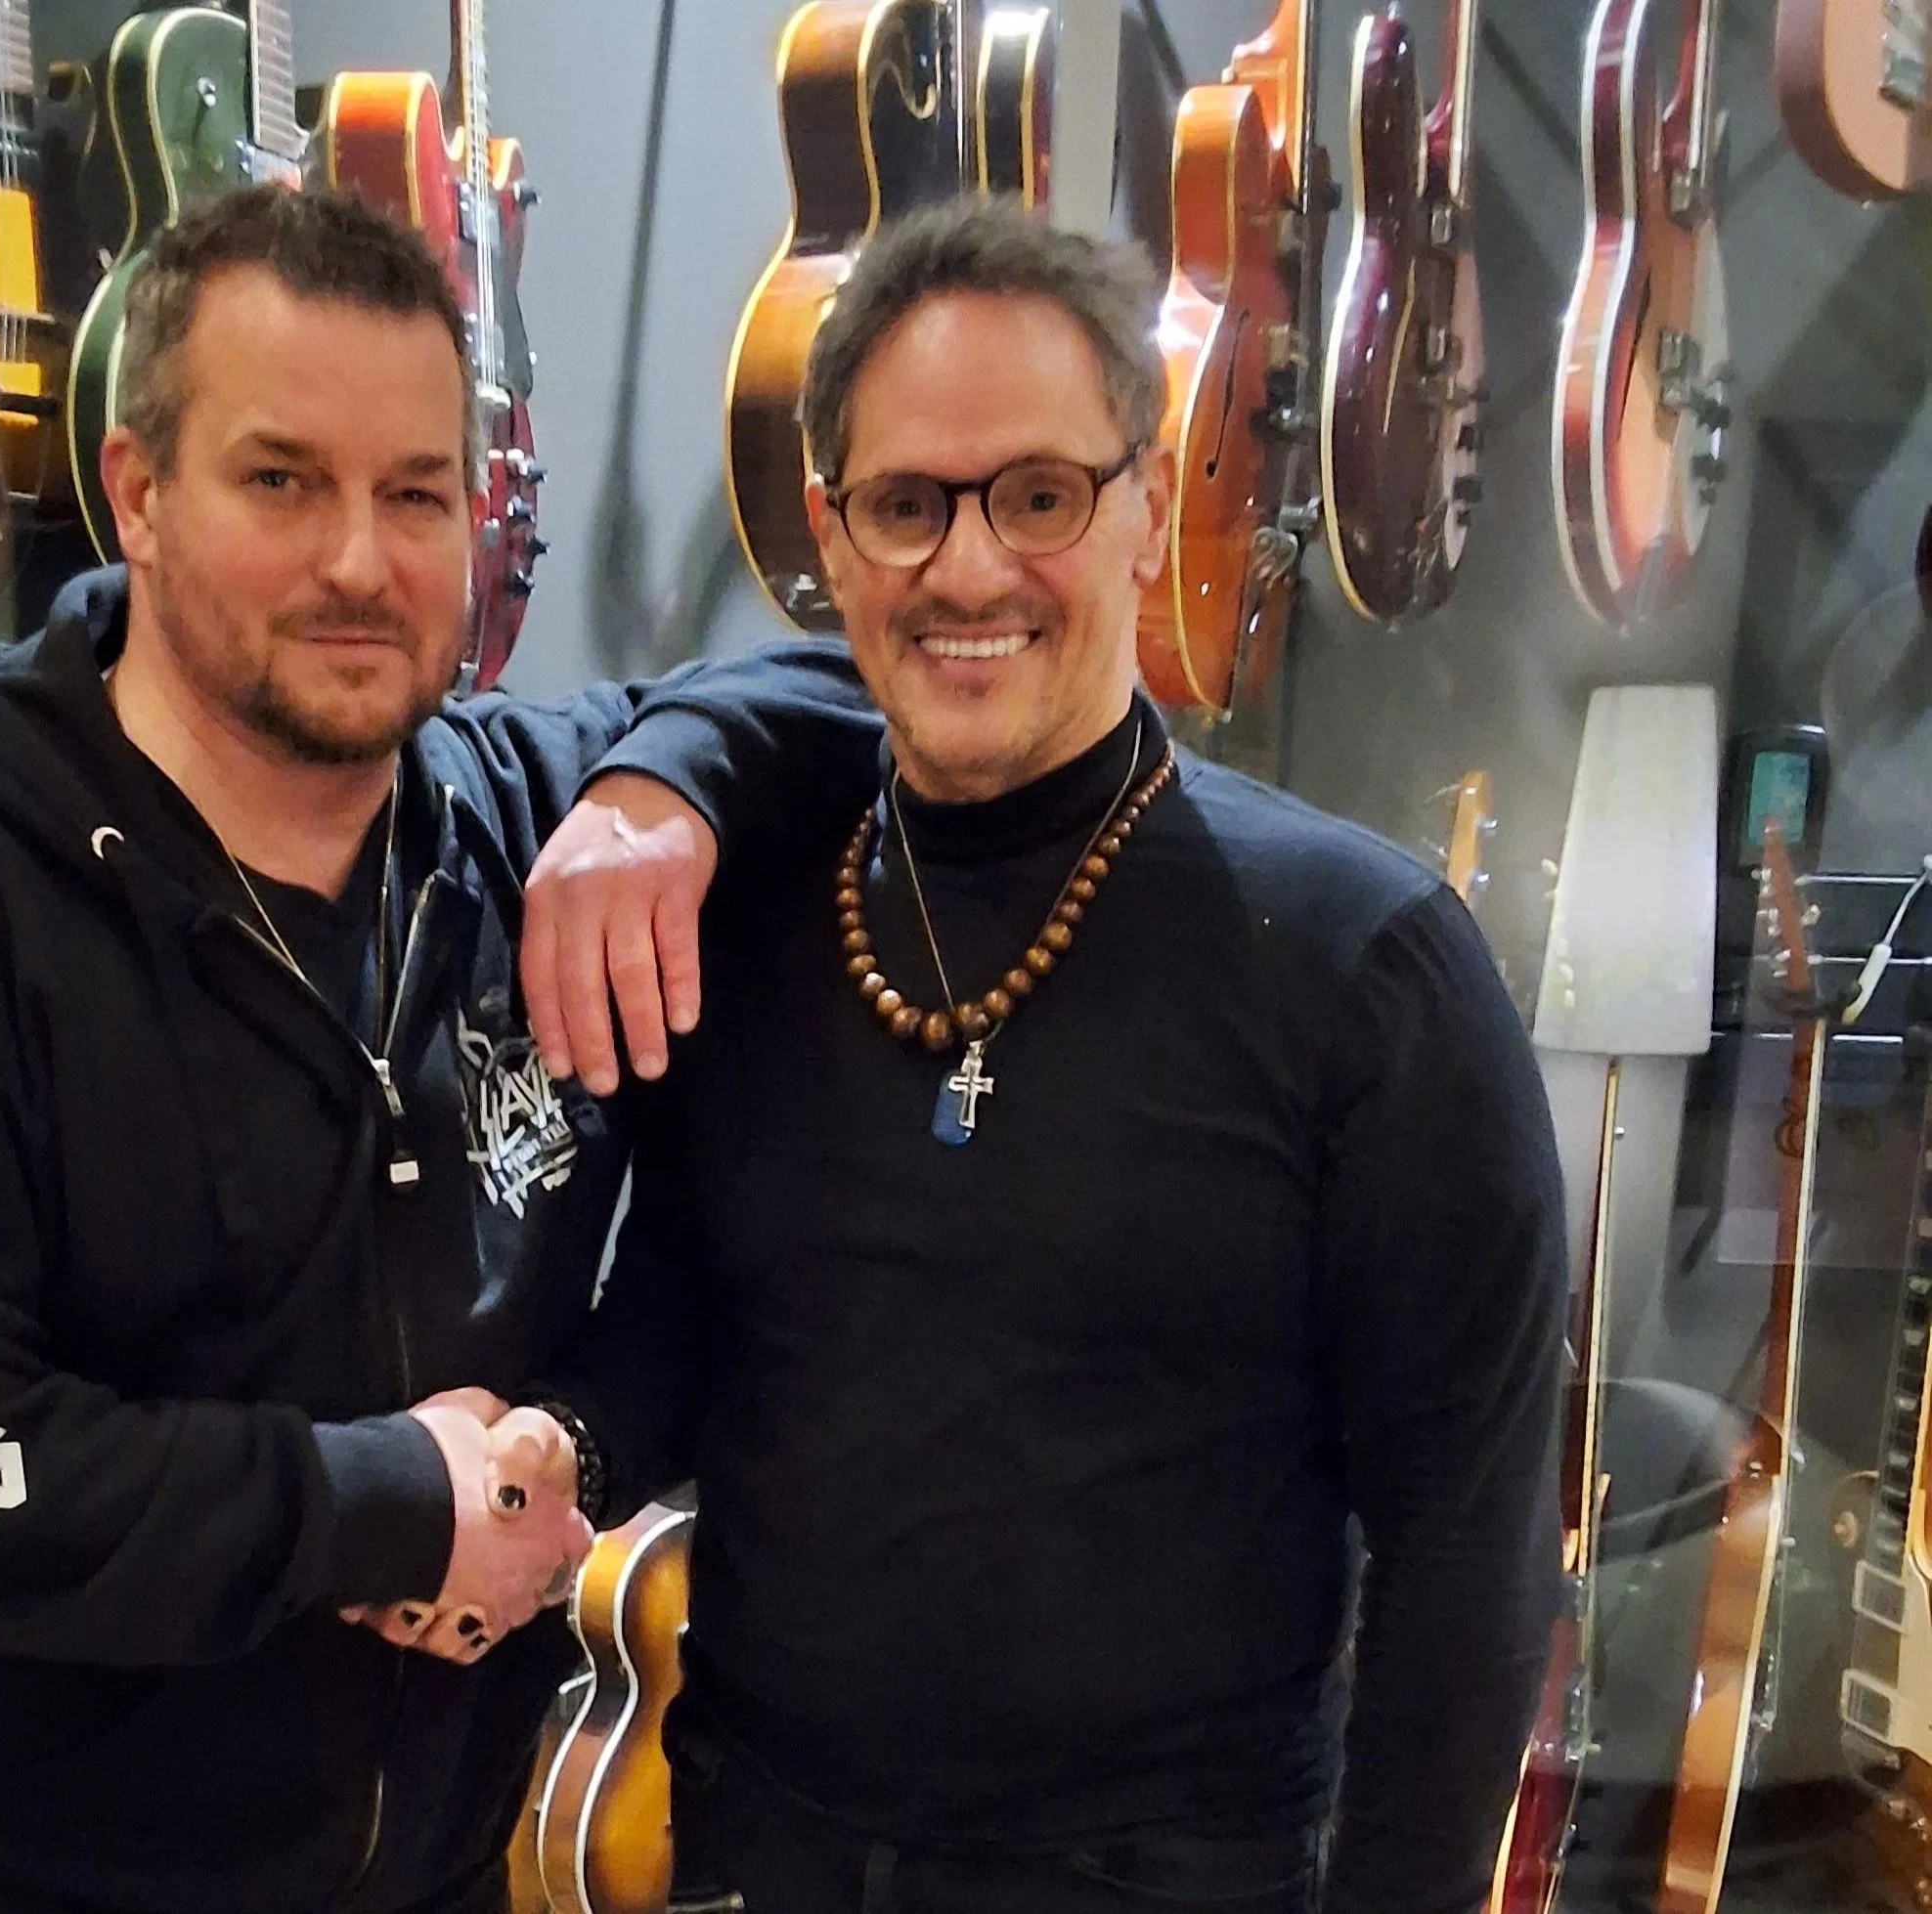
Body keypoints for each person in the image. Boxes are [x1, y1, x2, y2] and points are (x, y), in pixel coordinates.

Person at [0, 185, 874, 1914]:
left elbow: (852, 690)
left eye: (416, 494)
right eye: (280, 479)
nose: (359, 560)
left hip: (455, 1871)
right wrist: (374, 1503)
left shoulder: (518, 812)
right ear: (137, 492)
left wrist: (665, 779)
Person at [537, 199, 1567, 1914]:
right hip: (751, 1851)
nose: (966, 568)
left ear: (1145, 499)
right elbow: (694, 1331)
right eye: (906, 505)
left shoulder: (1365, 971)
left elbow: (1468, 1554)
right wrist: (534, 1456)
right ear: (830, 530)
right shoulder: (748, 915)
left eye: (1037, 494)